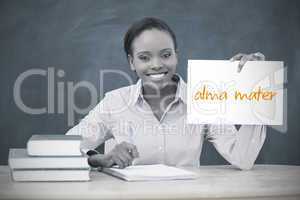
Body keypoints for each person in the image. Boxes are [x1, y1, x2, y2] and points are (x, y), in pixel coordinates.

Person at [66, 17, 266, 170]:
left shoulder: (203, 100)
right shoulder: (115, 102)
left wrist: (253, 91)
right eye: (144, 57)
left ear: (176, 56)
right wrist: (98, 158)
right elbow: (64, 149)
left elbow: (243, 158)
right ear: (131, 62)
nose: (157, 65)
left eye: (166, 55)